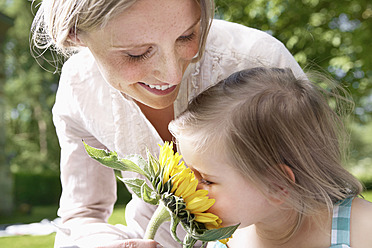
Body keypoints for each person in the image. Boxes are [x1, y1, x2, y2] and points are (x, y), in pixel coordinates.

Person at [30, 0, 305, 247]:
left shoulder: (260, 63)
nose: (171, 73)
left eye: (187, 36)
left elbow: (313, 197)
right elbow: (82, 214)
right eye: (136, 53)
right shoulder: (80, 90)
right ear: (75, 34)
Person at [168, 67, 372, 248]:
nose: (189, 189)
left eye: (206, 180)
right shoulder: (223, 241)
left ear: (277, 184)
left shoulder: (362, 228)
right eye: (188, 171)